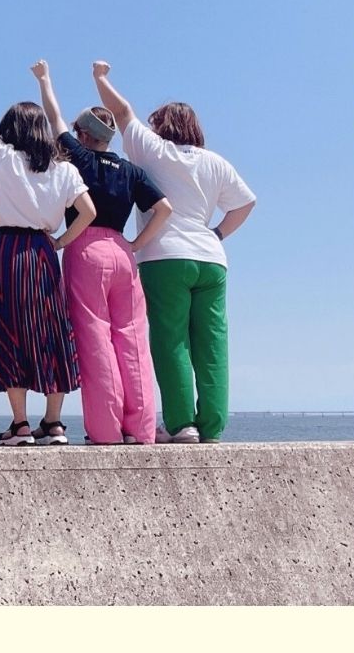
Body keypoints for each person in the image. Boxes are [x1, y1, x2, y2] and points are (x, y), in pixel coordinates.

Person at [93, 61, 256, 444]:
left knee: (171, 341)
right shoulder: (215, 162)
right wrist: (217, 232)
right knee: (212, 343)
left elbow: (121, 112)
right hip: (211, 260)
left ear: (161, 126)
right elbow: (246, 203)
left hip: (164, 256)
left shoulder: (153, 149)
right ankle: (212, 425)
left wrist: (100, 78)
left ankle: (182, 424)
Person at [32, 59, 173, 445]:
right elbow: (164, 209)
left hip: (86, 249)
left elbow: (53, 117)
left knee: (95, 338)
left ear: (83, 134)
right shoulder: (130, 170)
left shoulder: (80, 159)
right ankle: (140, 428)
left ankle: (106, 430)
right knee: (132, 339)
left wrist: (45, 79)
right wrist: (136, 244)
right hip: (122, 251)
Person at [0, 68, 96, 446]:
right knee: (52, 332)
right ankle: (53, 424)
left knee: (9, 332)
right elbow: (88, 212)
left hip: (8, 250)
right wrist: (60, 241)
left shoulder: (3, 158)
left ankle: (20, 425)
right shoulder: (64, 170)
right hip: (42, 251)